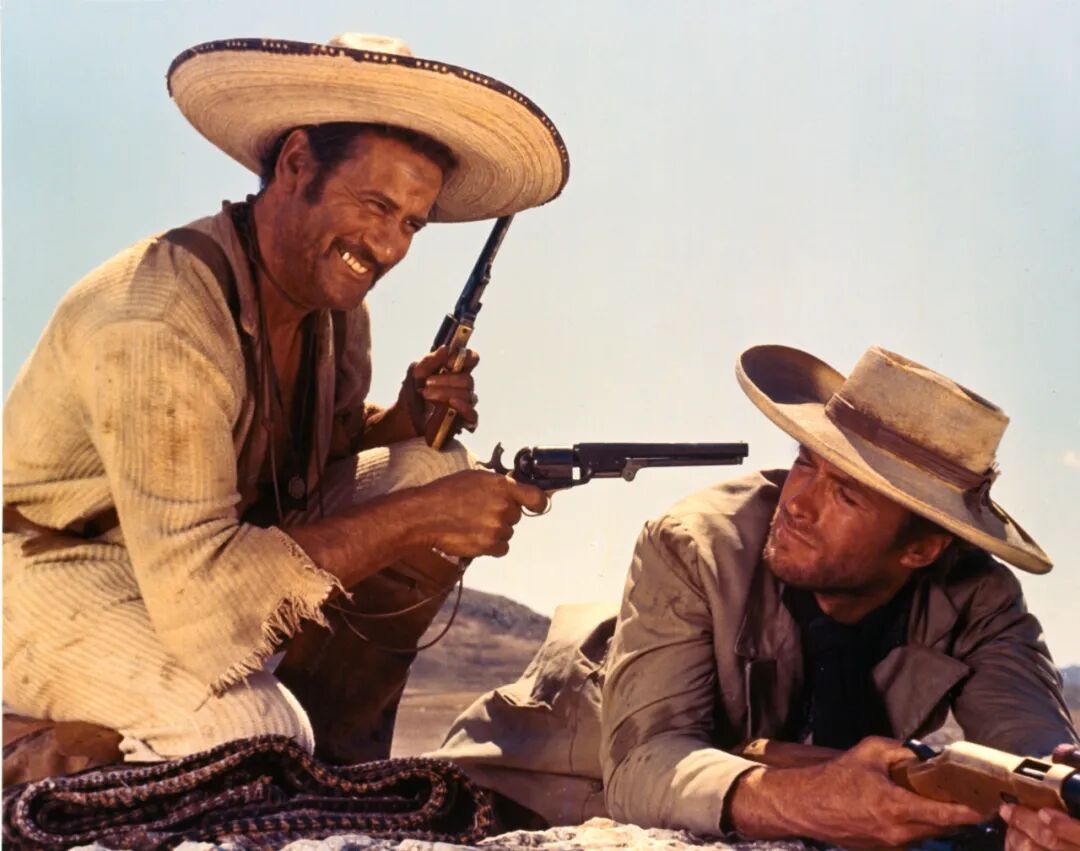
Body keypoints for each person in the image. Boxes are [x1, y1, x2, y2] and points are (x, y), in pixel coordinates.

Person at [2, 32, 568, 767]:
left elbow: (306, 455)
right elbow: (204, 604)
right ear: (297, 163)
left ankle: (332, 760)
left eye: (410, 223)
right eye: (375, 204)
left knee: (429, 466)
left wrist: (403, 420)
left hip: (185, 570)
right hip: (50, 569)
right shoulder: (159, 315)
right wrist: (423, 516)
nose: (389, 248)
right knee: (255, 735)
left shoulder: (334, 308)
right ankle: (32, 750)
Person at [434, 344, 1078, 847]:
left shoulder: (980, 599)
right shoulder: (694, 544)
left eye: (846, 495)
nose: (798, 503)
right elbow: (643, 766)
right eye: (806, 461)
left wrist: (1052, 818)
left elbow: (1036, 755)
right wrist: (814, 800)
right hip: (548, 775)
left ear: (923, 549)